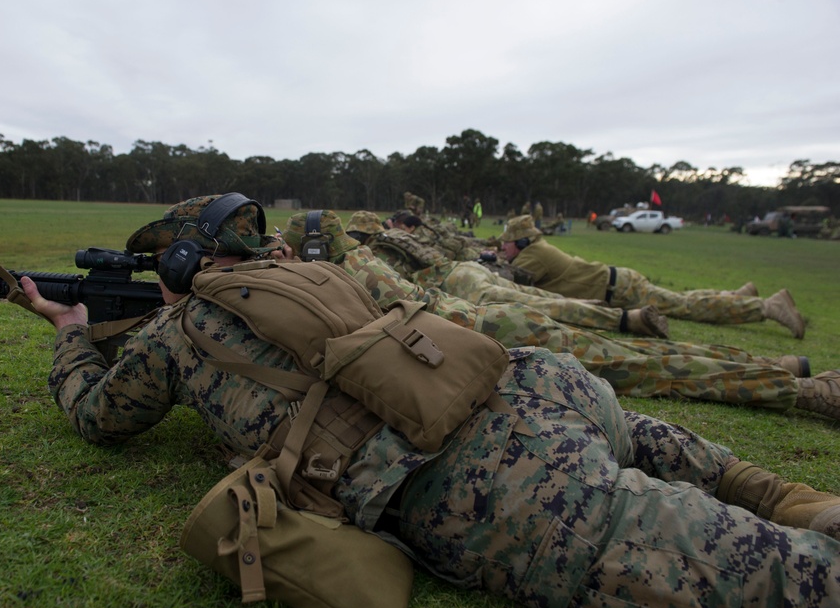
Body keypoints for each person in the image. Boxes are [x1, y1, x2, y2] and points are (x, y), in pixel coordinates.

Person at [18, 194, 840, 608]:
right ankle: (787, 494)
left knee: (788, 586)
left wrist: (70, 335)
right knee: (655, 448)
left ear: (182, 262)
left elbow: (99, 415)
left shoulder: (177, 331)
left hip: (487, 482)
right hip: (533, 385)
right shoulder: (320, 271)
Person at [281, 210, 840, 420]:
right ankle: (790, 368)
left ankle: (801, 389)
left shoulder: (334, 273)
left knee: (652, 369)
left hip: (481, 334)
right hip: (487, 321)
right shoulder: (358, 259)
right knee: (647, 359)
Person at [345, 210, 670, 338]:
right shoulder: (398, 239)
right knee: (541, 297)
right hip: (466, 270)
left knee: (538, 307)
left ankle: (626, 321)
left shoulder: (372, 254)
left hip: (456, 284)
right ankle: (616, 311)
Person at [500, 215, 807, 338]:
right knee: (682, 300)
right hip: (618, 283)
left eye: (507, 243)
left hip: (620, 290)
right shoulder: (535, 249)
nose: (503, 248)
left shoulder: (533, 255)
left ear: (523, 242)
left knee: (684, 307)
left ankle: (766, 307)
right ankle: (736, 297)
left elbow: (508, 285)